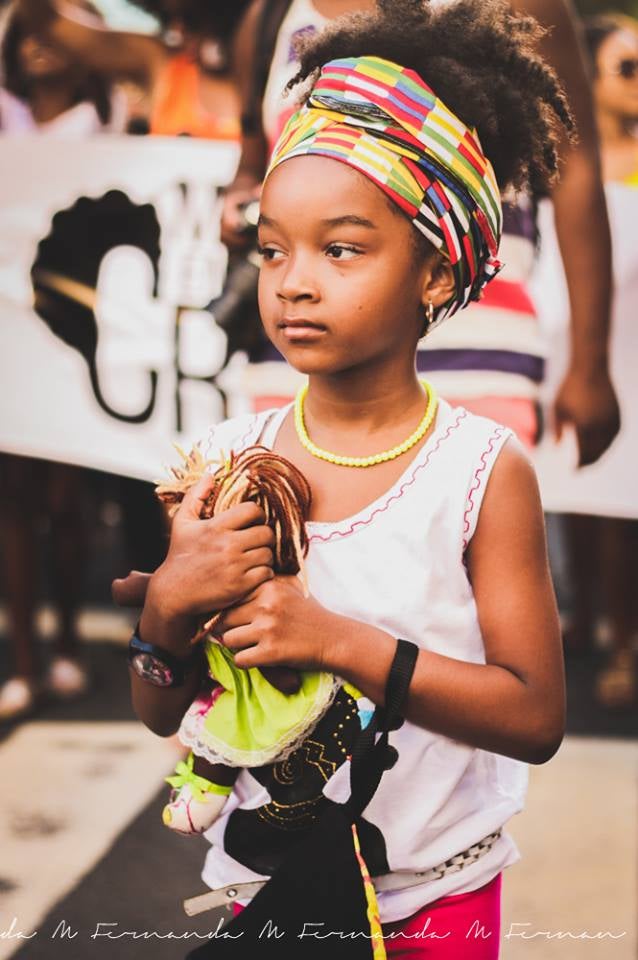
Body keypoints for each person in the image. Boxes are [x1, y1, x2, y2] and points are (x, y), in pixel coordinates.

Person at [117, 1, 567, 952]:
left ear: (437, 270)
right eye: (273, 249)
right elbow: (165, 708)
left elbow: (532, 715)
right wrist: (165, 613)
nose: (293, 282)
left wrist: (334, 640)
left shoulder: (482, 470)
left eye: (343, 248)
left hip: (436, 903)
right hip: (268, 896)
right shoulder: (231, 457)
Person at [222, 0, 620, 465]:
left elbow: (575, 173)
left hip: (475, 356)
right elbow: (252, 166)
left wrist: (590, 363)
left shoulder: (520, 4)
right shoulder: (270, 17)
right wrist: (241, 206)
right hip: (303, 359)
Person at [0, 1, 126, 720]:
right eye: (31, 35)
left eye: (59, 33)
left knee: (66, 498)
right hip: (8, 329)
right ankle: (23, 657)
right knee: (12, 498)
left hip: (76, 329)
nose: (44, 49)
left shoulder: (114, 122)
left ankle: (69, 641)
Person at [561, 15, 638, 708]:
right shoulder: (560, 162)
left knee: (619, 511)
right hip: (565, 351)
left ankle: (625, 641)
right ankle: (583, 618)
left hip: (627, 358)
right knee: (573, 503)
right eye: (628, 68)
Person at [15, 0, 249, 137]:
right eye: (171, 19)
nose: (178, 32)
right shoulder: (169, 70)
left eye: (193, 19)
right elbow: (56, 25)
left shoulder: (280, 81)